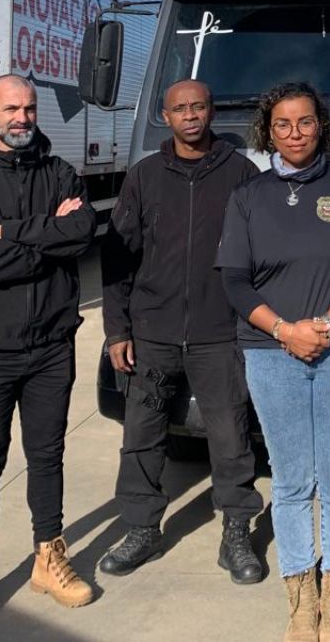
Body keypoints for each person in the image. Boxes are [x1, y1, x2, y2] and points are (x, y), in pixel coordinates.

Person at [216, 82, 330, 642]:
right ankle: (300, 599)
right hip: (271, 353)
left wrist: (328, 325)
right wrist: (286, 331)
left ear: (323, 126)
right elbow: (236, 280)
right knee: (290, 483)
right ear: (268, 131)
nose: (295, 133)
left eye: (306, 122)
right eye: (283, 124)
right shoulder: (248, 196)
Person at [0, 74, 97, 633]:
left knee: (47, 455)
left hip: (51, 345)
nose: (22, 117)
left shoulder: (60, 173)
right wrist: (45, 238)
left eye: (29, 108)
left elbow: (81, 233)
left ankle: (48, 559)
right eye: (11, 108)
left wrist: (12, 232)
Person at [98, 79, 265, 584]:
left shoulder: (242, 174)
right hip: (154, 334)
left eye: (198, 106)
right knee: (142, 437)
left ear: (211, 111)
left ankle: (237, 532)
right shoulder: (144, 176)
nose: (190, 115)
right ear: (166, 116)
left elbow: (261, 258)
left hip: (220, 335)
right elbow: (117, 255)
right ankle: (142, 529)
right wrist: (117, 328)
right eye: (179, 108)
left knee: (230, 437)